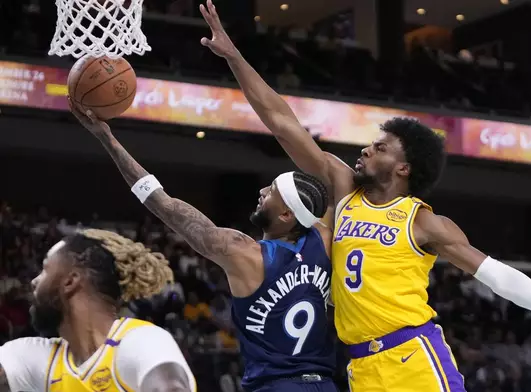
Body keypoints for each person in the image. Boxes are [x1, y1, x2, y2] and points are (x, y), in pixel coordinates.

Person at [196, 1, 531, 391]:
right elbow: (281, 121)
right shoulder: (345, 191)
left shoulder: (422, 221)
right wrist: (235, 57)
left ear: (404, 169)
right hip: (360, 368)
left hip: (413, 358)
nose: (366, 149)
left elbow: (496, 275)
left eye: (380, 148)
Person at [68, 99, 337, 392]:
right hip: (325, 384)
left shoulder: (244, 253)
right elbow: (340, 184)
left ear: (286, 215)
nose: (261, 192)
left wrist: (106, 138)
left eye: (272, 191)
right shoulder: (325, 241)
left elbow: (163, 204)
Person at [0, 229, 196, 392]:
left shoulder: (139, 341)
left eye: (45, 269)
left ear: (70, 281)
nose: (34, 281)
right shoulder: (40, 358)